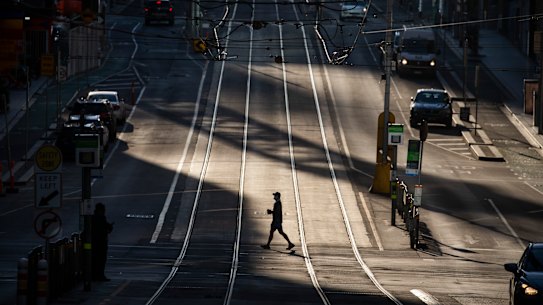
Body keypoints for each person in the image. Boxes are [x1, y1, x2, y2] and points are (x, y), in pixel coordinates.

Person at [92, 202, 113, 281]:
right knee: (101, 260)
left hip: (95, 243)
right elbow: (105, 228)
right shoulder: (101, 218)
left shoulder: (92, 217)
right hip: (100, 243)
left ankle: (95, 275)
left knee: (95, 260)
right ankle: (100, 275)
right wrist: (109, 227)